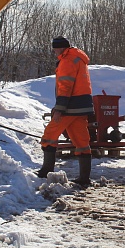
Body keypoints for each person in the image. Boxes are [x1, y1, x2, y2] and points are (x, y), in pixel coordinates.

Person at [36, 36, 95, 188]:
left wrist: (59, 109)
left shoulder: (67, 60)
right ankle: (84, 178)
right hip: (82, 106)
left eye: (55, 49)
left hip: (70, 106)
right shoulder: (79, 58)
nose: (55, 52)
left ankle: (46, 171)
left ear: (61, 48)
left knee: (49, 135)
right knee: (81, 141)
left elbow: (65, 86)